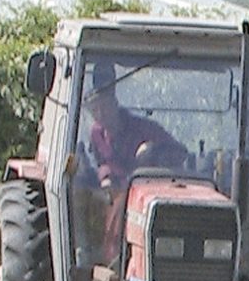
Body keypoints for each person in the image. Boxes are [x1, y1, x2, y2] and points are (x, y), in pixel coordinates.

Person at [80, 64, 189, 264]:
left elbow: (179, 153)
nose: (101, 114)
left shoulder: (143, 128)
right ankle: (107, 262)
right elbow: (96, 164)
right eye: (95, 110)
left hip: (146, 193)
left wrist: (152, 151)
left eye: (104, 107)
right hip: (110, 195)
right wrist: (104, 175)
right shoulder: (96, 134)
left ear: (114, 104)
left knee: (122, 204)